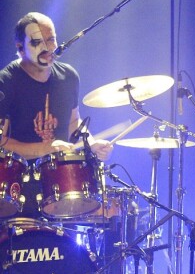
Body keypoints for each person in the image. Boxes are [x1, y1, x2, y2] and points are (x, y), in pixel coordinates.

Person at [0, 12, 112, 217]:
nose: (48, 48)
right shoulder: (6, 81)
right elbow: (1, 142)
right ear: (20, 48)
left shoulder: (69, 76)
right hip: (18, 186)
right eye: (37, 42)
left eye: (51, 39)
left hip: (60, 183)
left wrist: (91, 145)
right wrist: (44, 149)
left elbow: (73, 122)